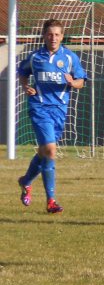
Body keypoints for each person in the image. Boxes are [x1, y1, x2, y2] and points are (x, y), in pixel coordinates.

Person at [17, 19, 87, 214]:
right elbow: (22, 72)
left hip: (59, 110)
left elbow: (82, 80)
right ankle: (51, 201)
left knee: (45, 152)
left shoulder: (70, 58)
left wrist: (74, 83)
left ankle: (26, 181)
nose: (53, 37)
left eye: (57, 34)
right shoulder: (35, 57)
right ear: (44, 36)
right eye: (49, 34)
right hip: (39, 107)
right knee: (50, 150)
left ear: (62, 36)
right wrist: (25, 87)